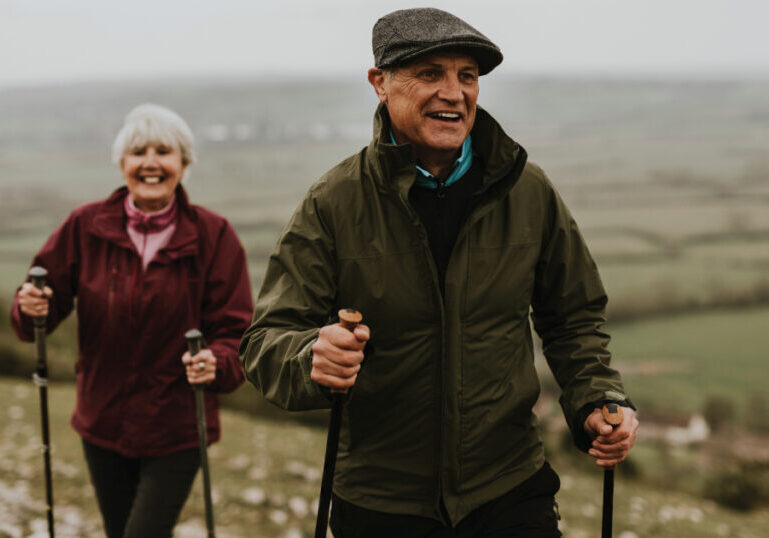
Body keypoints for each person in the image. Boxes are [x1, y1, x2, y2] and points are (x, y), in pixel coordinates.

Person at [240, 7, 638, 537]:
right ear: (379, 83)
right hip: (382, 503)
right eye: (430, 73)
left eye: (467, 76)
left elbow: (574, 318)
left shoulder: (529, 192)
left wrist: (597, 398)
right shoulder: (332, 204)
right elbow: (265, 341)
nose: (454, 93)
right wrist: (312, 356)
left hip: (510, 488)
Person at [11, 103, 253, 538]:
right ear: (122, 164)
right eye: (138, 152)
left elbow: (235, 333)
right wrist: (31, 306)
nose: (151, 163)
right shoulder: (84, 227)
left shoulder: (215, 236)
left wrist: (215, 362)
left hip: (177, 426)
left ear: (184, 163)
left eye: (164, 151)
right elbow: (36, 314)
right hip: (103, 422)